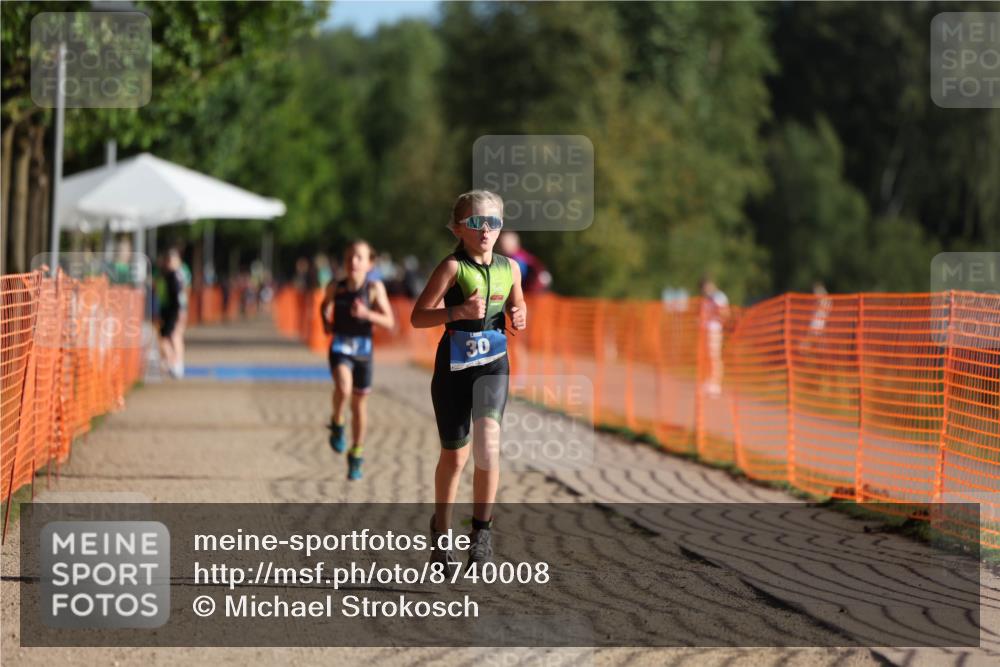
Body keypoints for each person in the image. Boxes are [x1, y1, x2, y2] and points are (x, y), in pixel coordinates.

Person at [410, 190, 527, 571]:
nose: (486, 230)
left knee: (488, 447)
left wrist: (519, 313)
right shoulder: (451, 268)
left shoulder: (511, 268)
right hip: (454, 370)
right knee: (456, 456)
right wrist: (457, 310)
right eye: (477, 222)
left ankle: (482, 533)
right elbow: (418, 316)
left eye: (494, 222)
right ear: (459, 228)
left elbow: (516, 302)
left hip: (493, 365)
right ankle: (441, 536)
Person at [320, 240, 395, 481]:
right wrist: (326, 322)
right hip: (341, 345)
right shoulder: (335, 286)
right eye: (349, 257)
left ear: (370, 263)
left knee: (359, 405)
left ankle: (356, 454)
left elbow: (389, 322)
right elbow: (324, 306)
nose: (353, 262)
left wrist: (367, 314)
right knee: (343, 387)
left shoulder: (374, 288)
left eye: (359, 257)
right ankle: (337, 421)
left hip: (363, 350)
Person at [156, 250, 186, 379]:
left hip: (173, 311)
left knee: (169, 337)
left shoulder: (173, 276)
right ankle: (175, 363)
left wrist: (180, 312)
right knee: (172, 337)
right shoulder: (169, 275)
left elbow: (178, 296)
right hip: (170, 310)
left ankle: (174, 363)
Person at [699, 276, 730, 397]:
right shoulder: (708, 298)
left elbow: (725, 313)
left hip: (715, 330)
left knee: (714, 357)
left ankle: (716, 384)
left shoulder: (718, 297)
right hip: (707, 330)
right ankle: (710, 380)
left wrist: (714, 314)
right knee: (708, 357)